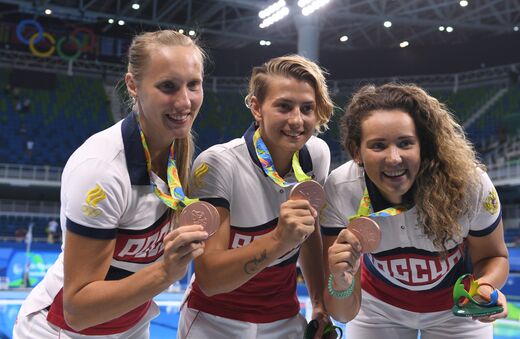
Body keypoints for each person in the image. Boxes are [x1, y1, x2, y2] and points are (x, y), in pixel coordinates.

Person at [14, 29, 209, 338]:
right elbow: (77, 311)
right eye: (168, 87)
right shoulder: (101, 170)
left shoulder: (179, 148)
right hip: (61, 330)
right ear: (133, 85)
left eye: (193, 85)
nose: (185, 101)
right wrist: (164, 273)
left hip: (130, 326)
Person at [321, 83, 509, 338]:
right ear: (357, 152)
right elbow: (342, 314)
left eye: (405, 143)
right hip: (378, 310)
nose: (394, 158)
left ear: (424, 146)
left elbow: (494, 257)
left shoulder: (468, 185)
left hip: (457, 312)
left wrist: (483, 287)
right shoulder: (341, 188)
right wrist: (340, 282)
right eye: (378, 146)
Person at [178, 55, 334, 338]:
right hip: (214, 321)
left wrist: (319, 304)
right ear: (256, 107)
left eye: (307, 108)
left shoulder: (317, 155)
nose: (297, 120)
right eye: (284, 107)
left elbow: (310, 232)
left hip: (284, 320)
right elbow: (210, 279)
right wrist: (278, 240)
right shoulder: (217, 164)